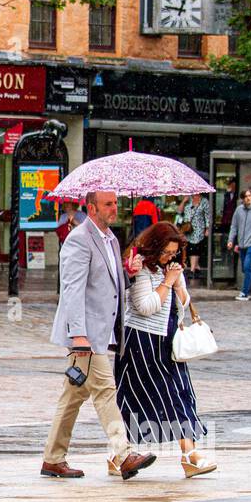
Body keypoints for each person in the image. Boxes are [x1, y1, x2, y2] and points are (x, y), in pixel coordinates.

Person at [42, 190, 157, 481]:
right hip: (87, 335)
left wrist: (127, 273)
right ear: (91, 208)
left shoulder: (111, 239)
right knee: (106, 391)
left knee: (72, 397)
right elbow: (73, 290)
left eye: (116, 203)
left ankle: (53, 459)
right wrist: (78, 334)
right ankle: (124, 454)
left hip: (103, 333)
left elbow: (108, 286)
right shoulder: (79, 239)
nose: (114, 208)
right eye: (108, 204)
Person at [116, 223, 215, 478]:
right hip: (142, 344)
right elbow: (145, 306)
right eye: (167, 252)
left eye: (174, 252)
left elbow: (182, 305)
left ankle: (189, 455)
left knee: (181, 394)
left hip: (168, 342)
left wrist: (178, 284)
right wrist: (167, 283)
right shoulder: (139, 267)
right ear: (155, 247)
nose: (170, 257)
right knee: (143, 401)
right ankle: (120, 453)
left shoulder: (171, 269)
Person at [178, 193, 211, 281]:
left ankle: (192, 270)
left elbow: (207, 215)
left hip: (198, 228)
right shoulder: (188, 200)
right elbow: (179, 211)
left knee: (195, 247)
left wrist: (207, 228)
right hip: (187, 228)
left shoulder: (204, 201)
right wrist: (184, 201)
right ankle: (196, 267)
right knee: (189, 248)